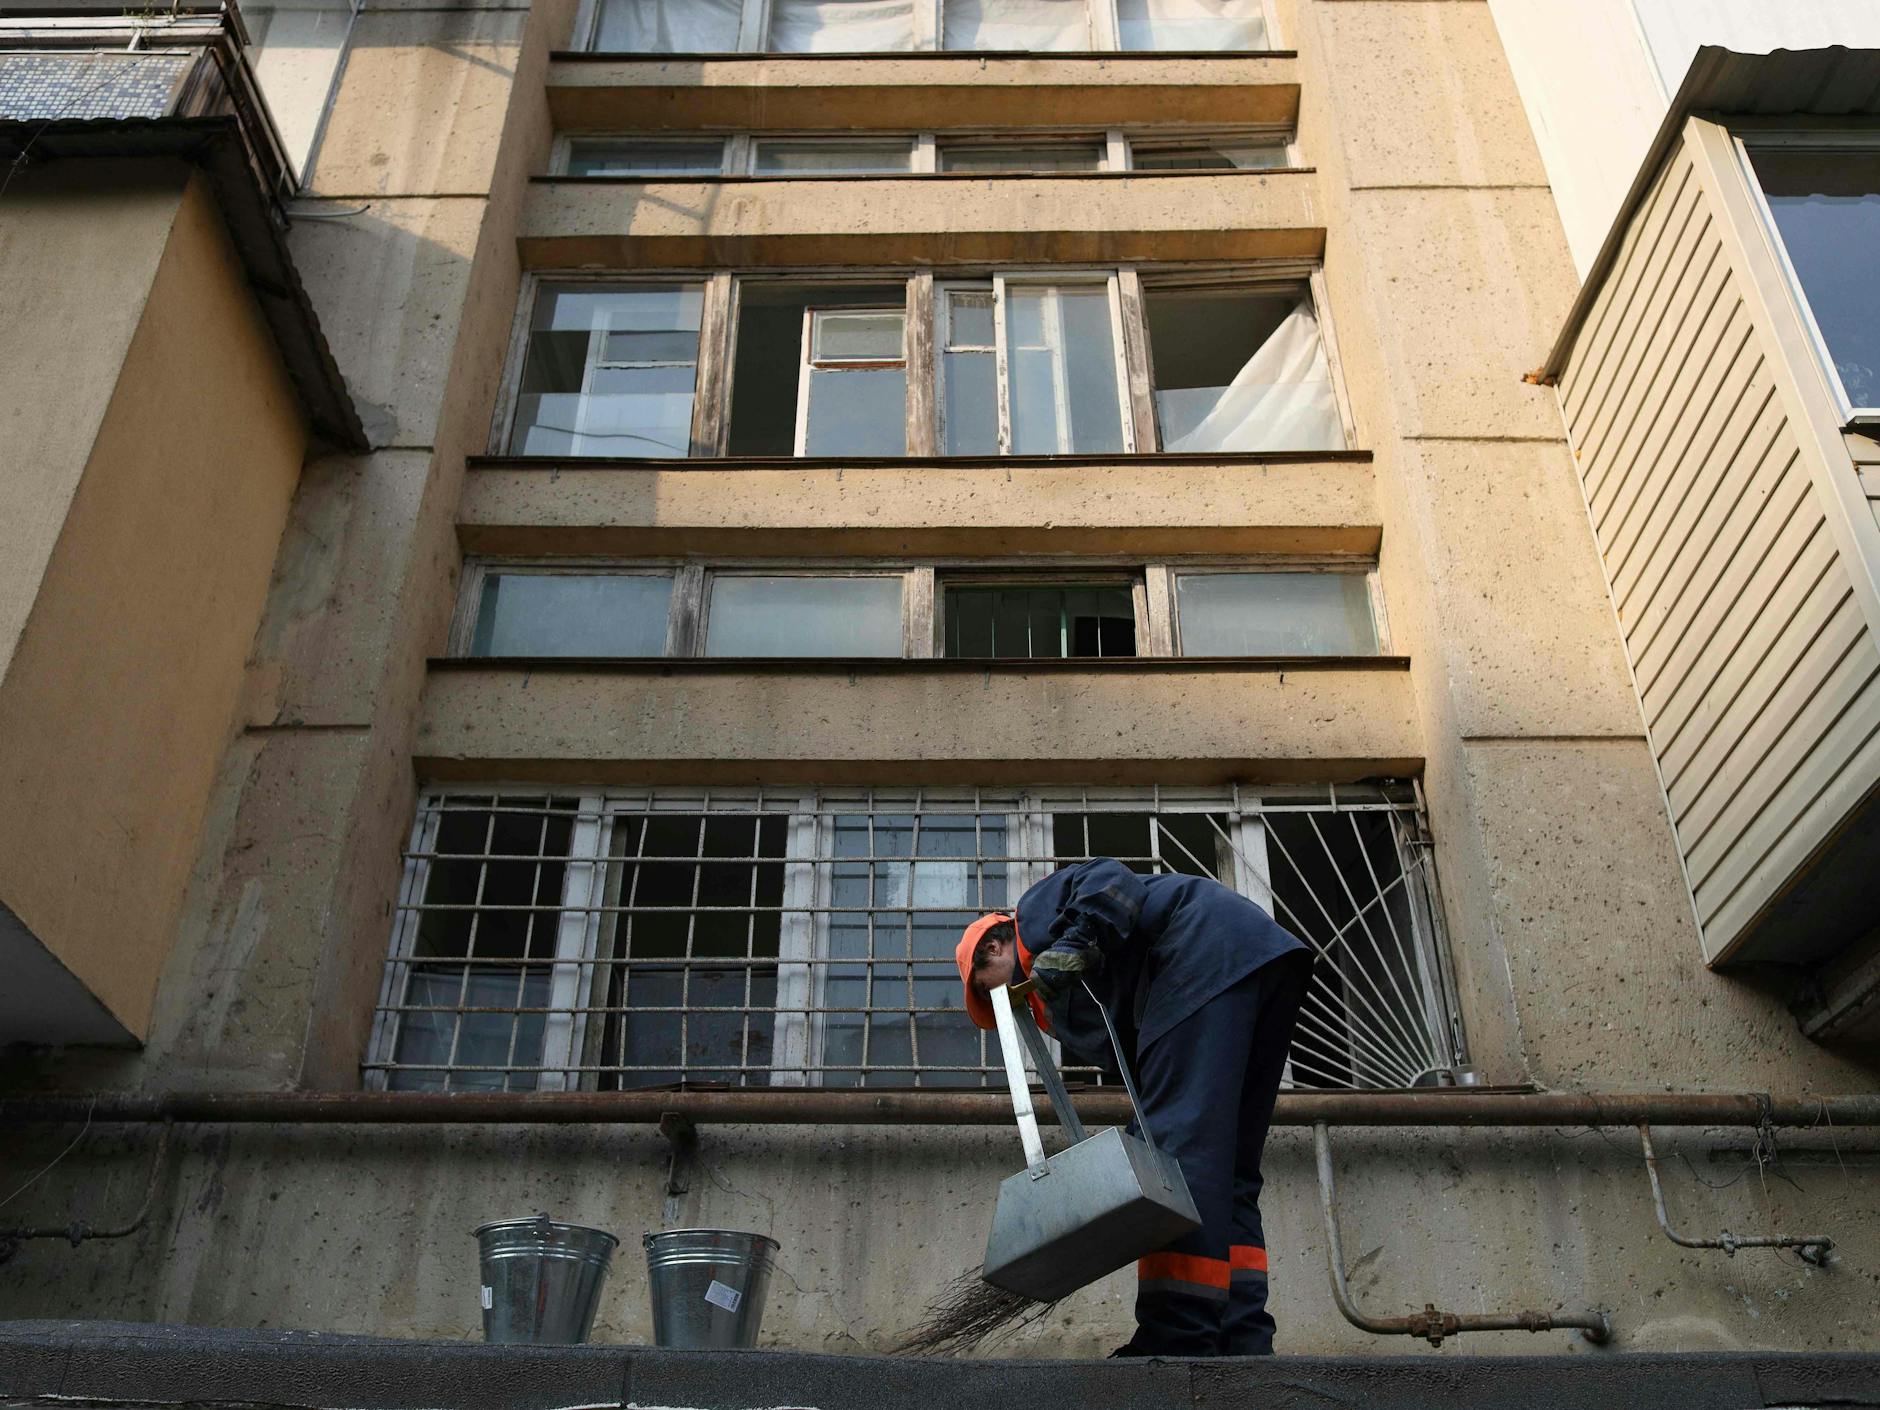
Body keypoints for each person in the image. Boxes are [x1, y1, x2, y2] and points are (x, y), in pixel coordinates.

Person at [954, 857, 1311, 1358]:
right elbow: (1157, 1058)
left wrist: (1074, 942)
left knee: (1177, 1160)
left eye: (991, 988)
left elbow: (1109, 878)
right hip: (1259, 961)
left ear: (994, 947)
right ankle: (1242, 1332)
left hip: (1201, 954)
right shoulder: (1078, 997)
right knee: (1228, 1175)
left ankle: (1179, 1330)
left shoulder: (1034, 916)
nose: (1006, 1003)